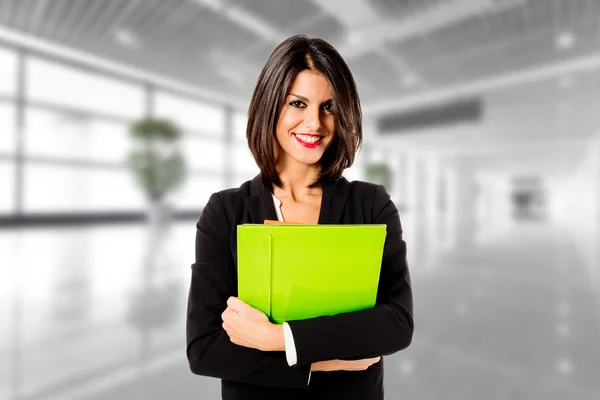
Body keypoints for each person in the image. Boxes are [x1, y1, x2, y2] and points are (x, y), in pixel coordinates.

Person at [186, 34, 414, 400]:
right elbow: (205, 349)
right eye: (298, 103)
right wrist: (323, 360)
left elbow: (395, 324)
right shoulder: (225, 212)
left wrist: (275, 337)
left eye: (329, 107)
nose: (315, 123)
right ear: (270, 105)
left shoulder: (370, 205)